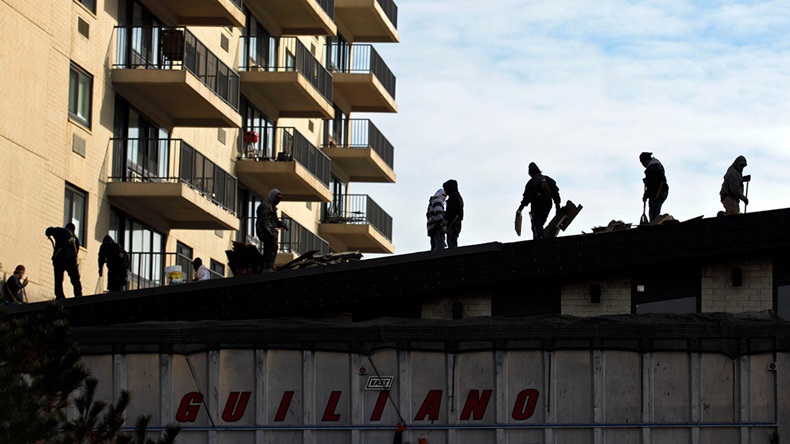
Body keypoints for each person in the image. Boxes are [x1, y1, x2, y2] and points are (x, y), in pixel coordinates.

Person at [517, 162, 562, 240]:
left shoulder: (532, 183)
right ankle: (542, 238)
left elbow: (526, 198)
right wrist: (557, 207)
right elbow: (555, 194)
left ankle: (539, 243)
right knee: (540, 224)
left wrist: (520, 209)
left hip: (537, 207)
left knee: (537, 225)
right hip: (547, 206)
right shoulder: (548, 180)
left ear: (530, 173)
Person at [45, 222, 82, 299]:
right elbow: (76, 253)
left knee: (58, 279)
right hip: (71, 261)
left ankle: (60, 295)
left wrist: (48, 233)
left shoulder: (62, 231)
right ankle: (78, 294)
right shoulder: (76, 240)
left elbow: (49, 230)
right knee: (75, 279)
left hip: (60, 259)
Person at [256, 188, 287, 271]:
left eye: (279, 199)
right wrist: (269, 229)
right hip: (263, 231)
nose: (278, 200)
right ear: (272, 197)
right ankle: (268, 266)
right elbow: (263, 220)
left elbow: (275, 221)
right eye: (277, 198)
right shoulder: (265, 206)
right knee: (273, 245)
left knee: (269, 248)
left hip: (269, 231)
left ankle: (263, 267)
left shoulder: (272, 208)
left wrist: (282, 224)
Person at [639, 152, 669, 223]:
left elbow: (652, 185)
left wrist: (646, 195)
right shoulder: (657, 166)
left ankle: (654, 225)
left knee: (654, 211)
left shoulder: (652, 169)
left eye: (642, 162)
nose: (643, 165)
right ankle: (654, 223)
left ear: (646, 160)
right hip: (663, 191)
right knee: (654, 209)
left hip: (658, 193)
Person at [442, 179, 464, 248]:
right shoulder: (458, 197)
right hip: (457, 222)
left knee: (451, 241)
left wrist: (446, 220)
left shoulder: (453, 197)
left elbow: (451, 211)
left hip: (453, 223)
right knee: (452, 239)